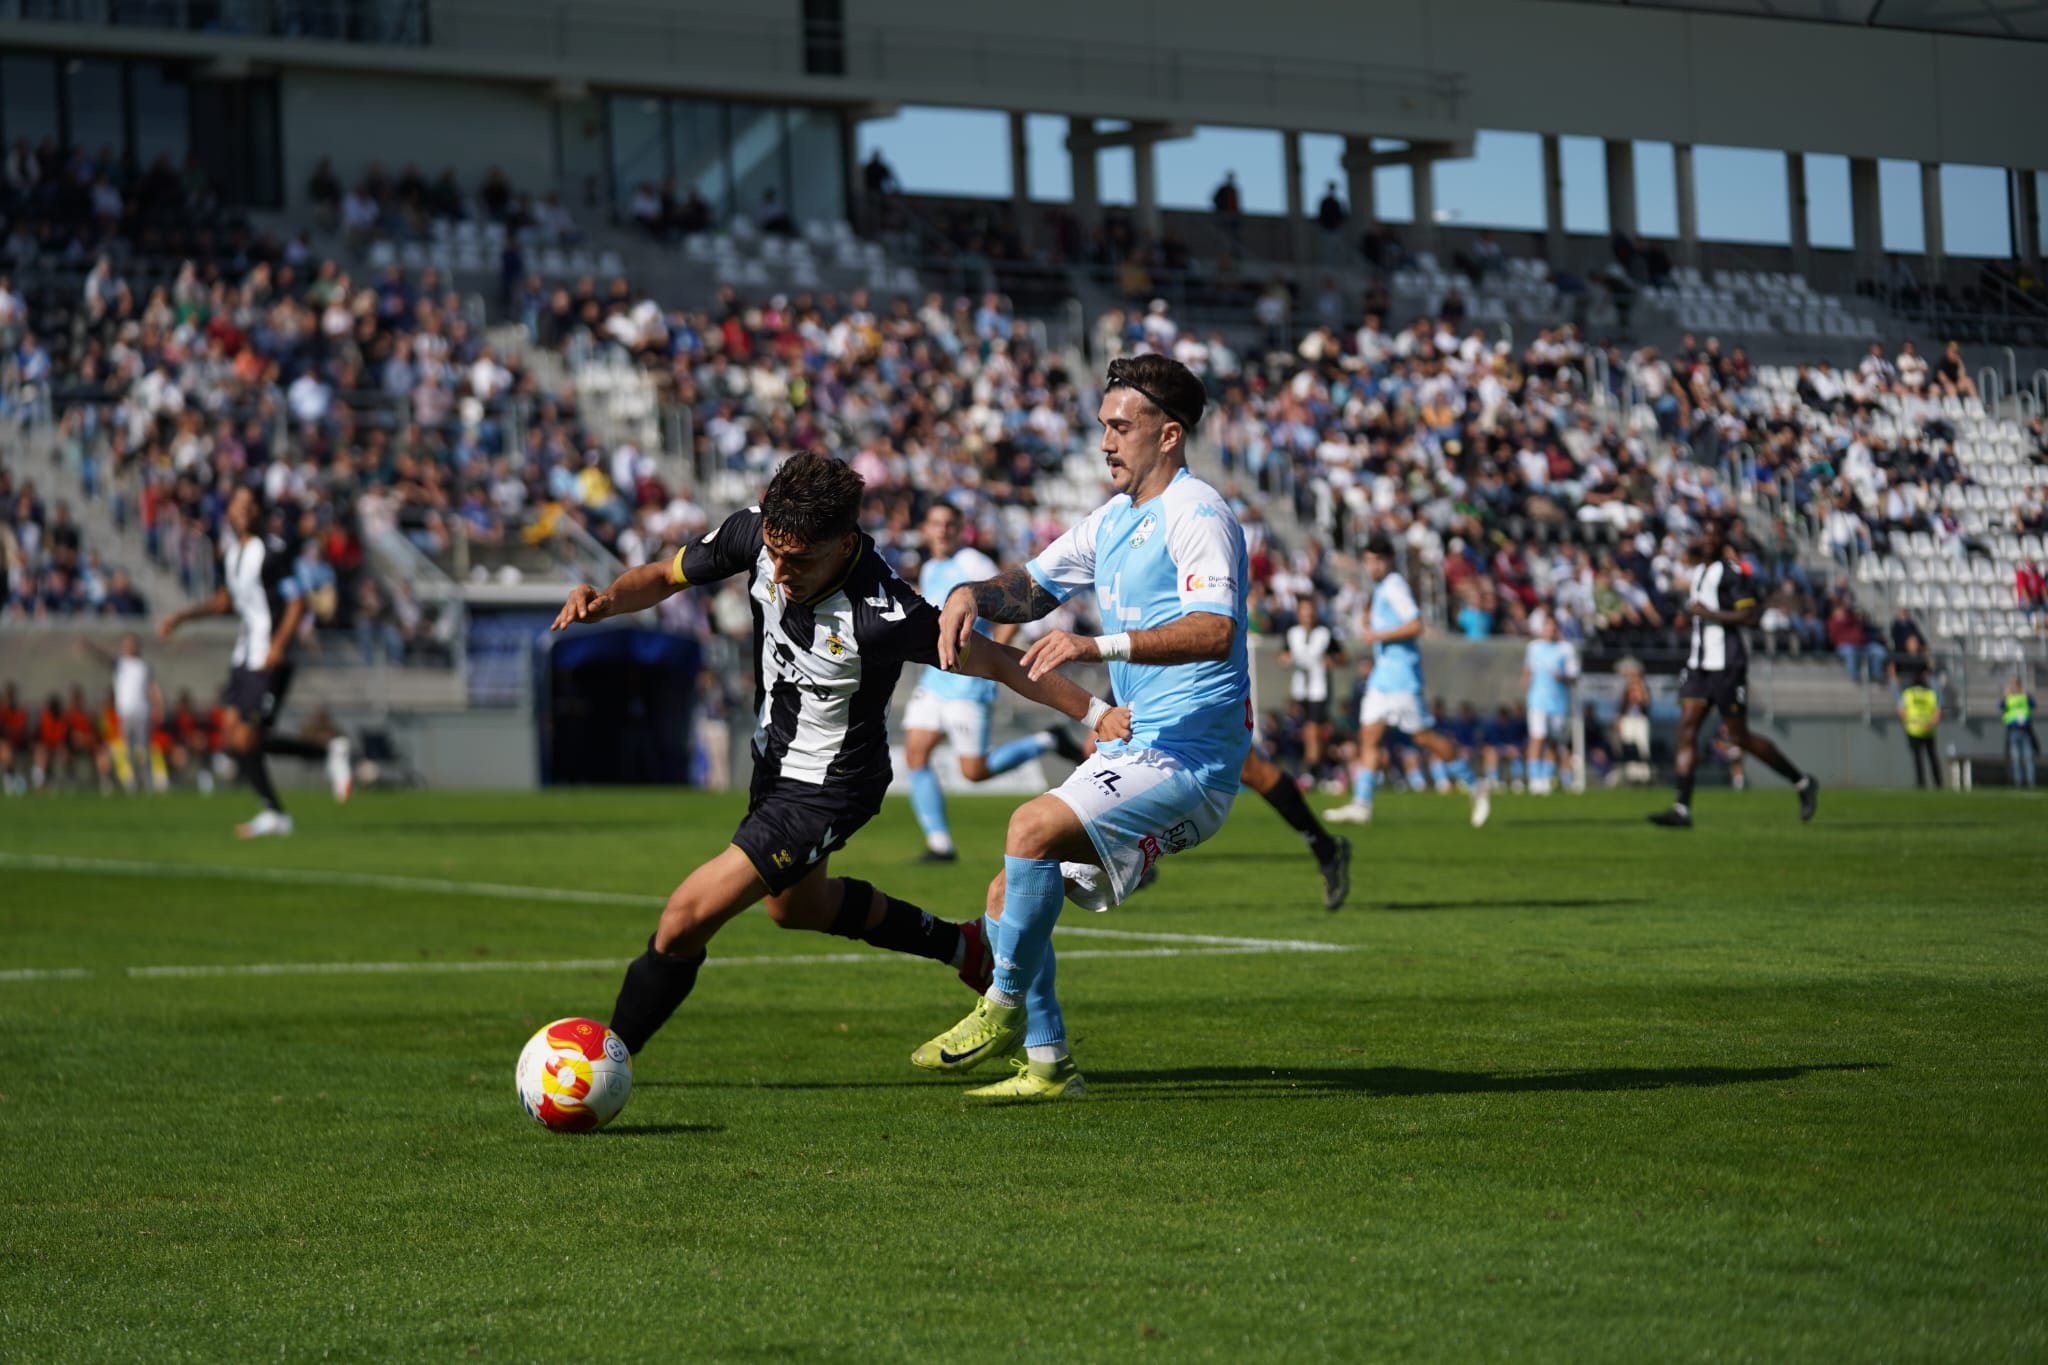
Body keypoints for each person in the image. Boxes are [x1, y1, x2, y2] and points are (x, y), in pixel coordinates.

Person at [552, 452, 1124, 1062]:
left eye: (797, 560)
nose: (779, 569)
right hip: (774, 764)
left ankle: (604, 1062)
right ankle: (968, 949)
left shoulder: (885, 613)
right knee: (797, 908)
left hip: (829, 785)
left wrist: (1095, 715)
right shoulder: (758, 531)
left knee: (685, 917)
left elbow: (1003, 663)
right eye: (773, 552)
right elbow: (667, 576)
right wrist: (608, 600)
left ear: (844, 542)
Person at [913, 353, 1251, 1103]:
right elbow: (1032, 589)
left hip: (1192, 758)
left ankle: (999, 1006)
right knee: (1008, 889)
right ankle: (1048, 1063)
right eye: (1101, 426)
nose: (1105, 441)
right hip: (1139, 745)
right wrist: (971, 591)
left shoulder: (1198, 514)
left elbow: (1214, 630)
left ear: (1168, 435)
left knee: (1029, 825)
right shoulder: (1113, 518)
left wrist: (1096, 645)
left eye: (1119, 427)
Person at [157, 485, 350, 837]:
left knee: (246, 739)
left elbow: (297, 602)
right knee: (233, 740)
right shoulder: (232, 554)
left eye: (249, 504)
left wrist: (278, 645)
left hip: (268, 659)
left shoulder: (272, 552)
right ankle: (297, 786)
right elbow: (223, 602)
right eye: (237, 503)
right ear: (228, 511)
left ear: (259, 511)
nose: (242, 510)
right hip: (244, 657)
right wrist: (182, 617)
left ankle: (302, 784)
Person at [902, 501, 1084, 863]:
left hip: (968, 683)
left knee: (974, 772)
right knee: (915, 755)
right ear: (926, 529)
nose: (942, 530)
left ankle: (1047, 740)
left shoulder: (974, 563)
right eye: (936, 523)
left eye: (949, 524)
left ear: (959, 529)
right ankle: (940, 844)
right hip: (936, 678)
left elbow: (1011, 602)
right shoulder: (932, 566)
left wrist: (997, 655)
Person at [1649, 521, 1819, 828]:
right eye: (1706, 534)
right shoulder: (1698, 573)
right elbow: (1699, 612)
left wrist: (1708, 614)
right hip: (1699, 665)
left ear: (1723, 539)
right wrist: (1686, 622)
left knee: (1739, 737)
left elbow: (1750, 616)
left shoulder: (1732, 572)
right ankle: (1682, 809)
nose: (1709, 539)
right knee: (1686, 730)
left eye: (1715, 534)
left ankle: (1802, 781)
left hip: (1728, 665)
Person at [1326, 535, 1490, 828]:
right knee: (1369, 736)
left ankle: (1474, 784)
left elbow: (1416, 624)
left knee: (1423, 737)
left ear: (1388, 561)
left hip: (1402, 677)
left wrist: (1378, 635)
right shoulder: (1380, 590)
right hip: (1382, 677)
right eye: (1368, 560)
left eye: (1377, 560)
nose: (1372, 566)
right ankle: (1362, 804)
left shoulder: (1395, 586)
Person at [79, 633, 166, 793]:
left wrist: (158, 705)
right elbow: (103, 657)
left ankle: (148, 783)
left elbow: (153, 687)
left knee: (144, 750)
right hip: (125, 714)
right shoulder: (120, 664)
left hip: (142, 713)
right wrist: (90, 647)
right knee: (129, 750)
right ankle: (132, 783)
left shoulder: (144, 666)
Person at [1278, 596, 1340, 773]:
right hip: (1299, 689)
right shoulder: (1292, 633)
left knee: (1312, 730)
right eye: (1304, 610)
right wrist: (1285, 659)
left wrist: (1332, 660)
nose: (1308, 614)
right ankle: (1317, 766)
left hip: (1319, 689)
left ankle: (1312, 770)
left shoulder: (1325, 633)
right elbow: (1283, 654)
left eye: (1310, 610)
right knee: (1304, 732)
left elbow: (1341, 657)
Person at [1521, 611, 1580, 795]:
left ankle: (1547, 776)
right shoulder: (1533, 647)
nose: (1550, 630)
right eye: (1547, 627)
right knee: (1537, 737)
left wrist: (1561, 677)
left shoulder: (1566, 649)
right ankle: (1534, 778)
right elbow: (1528, 670)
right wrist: (1526, 681)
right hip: (1537, 701)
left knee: (1553, 742)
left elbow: (1574, 678)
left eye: (1553, 627)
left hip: (1558, 703)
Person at [1898, 672, 1943, 790]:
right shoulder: (1930, 694)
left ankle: (1920, 782)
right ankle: (1938, 783)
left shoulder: (1907, 693)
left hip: (1913, 730)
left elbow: (1901, 711)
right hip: (1928, 729)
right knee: (1932, 757)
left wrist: (1910, 721)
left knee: (1918, 758)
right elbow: (1937, 711)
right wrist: (1930, 723)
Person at [2002, 677, 2038, 789]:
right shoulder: (2008, 697)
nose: (2013, 687)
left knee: (2028, 757)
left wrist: (2025, 694)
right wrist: (2005, 696)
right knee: (2016, 758)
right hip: (2013, 731)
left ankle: (2031, 782)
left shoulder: (2024, 696)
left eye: (2015, 684)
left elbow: (2033, 704)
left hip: (2026, 731)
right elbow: (2001, 706)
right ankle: (2018, 782)